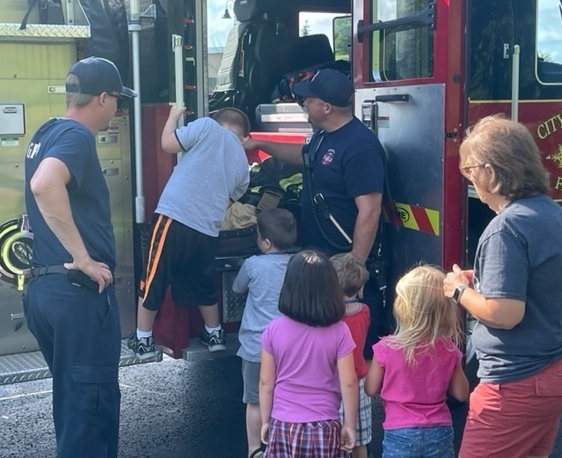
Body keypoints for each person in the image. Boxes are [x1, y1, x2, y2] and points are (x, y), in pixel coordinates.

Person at [24, 56, 137, 457]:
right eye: (118, 102)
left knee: (74, 407)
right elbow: (44, 184)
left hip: (44, 288)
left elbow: (38, 193)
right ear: (102, 98)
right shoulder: (77, 136)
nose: (118, 111)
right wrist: (84, 258)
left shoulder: (46, 133)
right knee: (90, 415)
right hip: (75, 291)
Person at [443, 116, 562, 458]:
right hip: (555, 371)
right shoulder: (551, 212)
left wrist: (460, 289)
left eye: (469, 169)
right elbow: (538, 279)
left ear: (490, 171)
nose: (469, 179)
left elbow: (505, 314)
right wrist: (483, 277)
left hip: (515, 383)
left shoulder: (506, 228)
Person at [243, 69, 386, 358]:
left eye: (308, 100)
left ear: (326, 107)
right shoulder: (323, 136)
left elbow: (369, 212)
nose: (304, 104)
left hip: (342, 263)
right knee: (321, 349)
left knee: (349, 356)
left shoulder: (361, 147)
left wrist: (353, 270)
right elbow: (305, 158)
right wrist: (261, 144)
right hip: (320, 257)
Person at [127, 106, 250, 359]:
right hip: (207, 230)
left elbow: (168, 145)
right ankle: (214, 334)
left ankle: (143, 339)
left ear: (218, 122)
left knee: (153, 277)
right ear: (244, 137)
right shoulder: (243, 164)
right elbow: (228, 202)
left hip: (173, 215)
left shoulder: (206, 126)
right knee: (202, 281)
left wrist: (173, 115)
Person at [259, 250, 358, 457]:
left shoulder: (273, 329)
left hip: (283, 423)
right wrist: (349, 424)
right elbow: (348, 382)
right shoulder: (340, 331)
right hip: (324, 425)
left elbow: (266, 383)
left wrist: (266, 420)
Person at [365, 265, 469, 458]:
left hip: (399, 433)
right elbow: (462, 394)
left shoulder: (387, 348)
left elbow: (370, 389)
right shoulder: (448, 349)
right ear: (445, 310)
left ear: (402, 307)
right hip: (439, 431)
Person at [232, 208, 297, 458]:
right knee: (285, 397)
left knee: (255, 400)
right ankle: (285, 446)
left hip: (254, 346)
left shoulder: (252, 264)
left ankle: (255, 450)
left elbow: (238, 289)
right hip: (289, 346)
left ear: (266, 242)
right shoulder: (296, 263)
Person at [330, 252, 372, 458]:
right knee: (359, 440)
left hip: (335, 383)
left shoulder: (331, 318)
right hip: (360, 382)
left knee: (338, 440)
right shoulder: (364, 311)